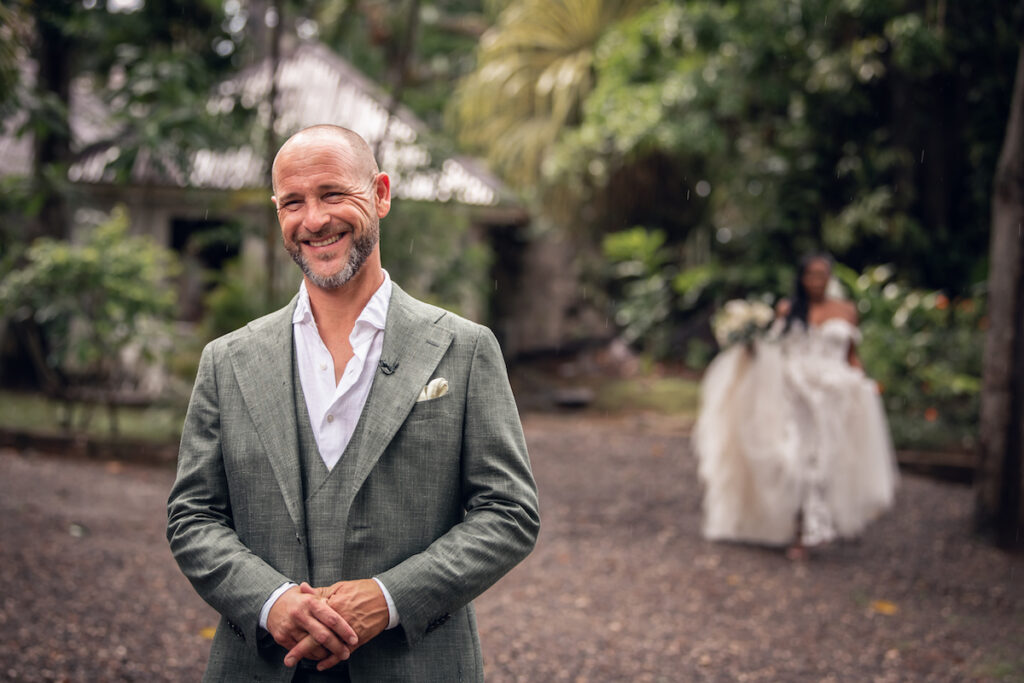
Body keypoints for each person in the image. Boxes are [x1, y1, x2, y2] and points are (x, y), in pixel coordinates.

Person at [167, 124, 540, 682]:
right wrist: (270, 602)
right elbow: (192, 516)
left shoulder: (464, 350)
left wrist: (389, 598)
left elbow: (509, 512)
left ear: (381, 194)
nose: (314, 220)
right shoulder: (227, 360)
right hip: (260, 667)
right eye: (293, 202)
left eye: (333, 194)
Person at [693, 253, 897, 560]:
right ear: (801, 278)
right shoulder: (789, 310)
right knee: (800, 457)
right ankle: (802, 529)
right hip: (798, 393)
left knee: (834, 458)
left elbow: (852, 355)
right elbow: (773, 349)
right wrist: (748, 342)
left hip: (836, 393)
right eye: (811, 275)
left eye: (822, 274)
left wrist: (865, 385)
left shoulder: (846, 310)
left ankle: (826, 522)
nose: (817, 281)